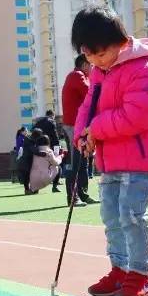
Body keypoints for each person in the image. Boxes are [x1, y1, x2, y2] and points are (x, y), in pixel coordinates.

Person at [71, 4, 148, 296]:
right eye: (89, 57)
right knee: (112, 216)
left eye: (101, 54)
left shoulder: (145, 69)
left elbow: (136, 115)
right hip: (110, 160)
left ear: (122, 42)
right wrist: (81, 135)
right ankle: (120, 268)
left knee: (131, 214)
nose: (95, 62)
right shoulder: (101, 73)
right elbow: (87, 107)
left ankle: (140, 274)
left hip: (140, 161)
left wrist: (96, 129)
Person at [59, 54, 96, 205]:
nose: (93, 68)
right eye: (91, 65)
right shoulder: (77, 75)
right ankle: (73, 197)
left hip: (78, 126)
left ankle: (83, 194)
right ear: (84, 64)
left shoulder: (77, 76)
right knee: (75, 162)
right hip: (73, 126)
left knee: (82, 161)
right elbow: (91, 92)